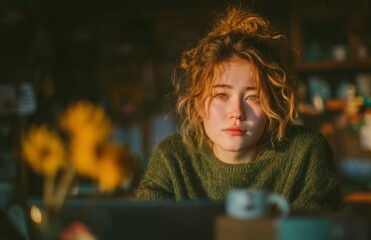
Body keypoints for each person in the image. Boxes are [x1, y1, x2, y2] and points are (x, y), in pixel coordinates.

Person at [135, 6, 342, 212]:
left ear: (273, 103)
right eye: (221, 95)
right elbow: (145, 227)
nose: (237, 112)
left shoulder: (305, 152)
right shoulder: (172, 158)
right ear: (198, 103)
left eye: (253, 97)